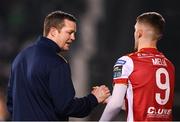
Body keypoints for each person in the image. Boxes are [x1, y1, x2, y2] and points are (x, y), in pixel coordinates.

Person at [7, 10, 110, 121]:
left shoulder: (20, 57)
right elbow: (66, 106)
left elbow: (11, 103)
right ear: (53, 32)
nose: (73, 37)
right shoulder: (56, 63)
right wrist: (94, 98)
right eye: (69, 32)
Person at [100, 12, 175, 121]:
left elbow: (115, 105)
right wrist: (109, 99)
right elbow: (145, 107)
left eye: (135, 30)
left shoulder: (126, 61)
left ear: (139, 33)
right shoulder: (169, 65)